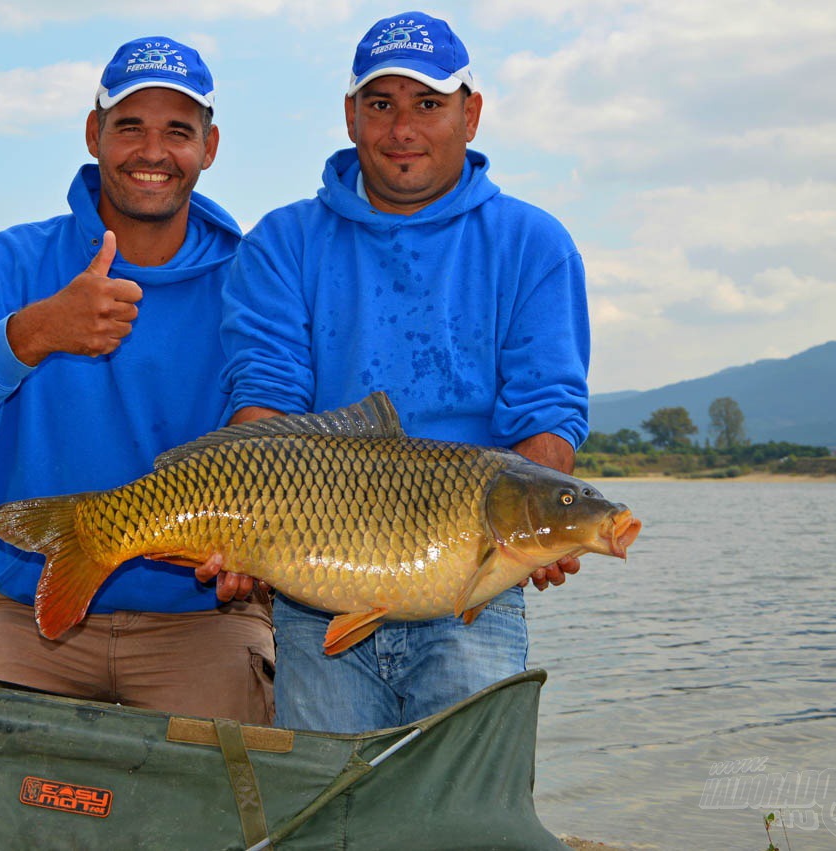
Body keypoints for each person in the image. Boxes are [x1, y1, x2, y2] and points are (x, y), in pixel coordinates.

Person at [0, 37, 274, 724]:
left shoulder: (256, 280)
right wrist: (30, 334)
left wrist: (261, 553)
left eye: (177, 131)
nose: (152, 152)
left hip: (206, 618)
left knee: (235, 801)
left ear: (209, 148)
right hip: (31, 612)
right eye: (129, 127)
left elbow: (288, 442)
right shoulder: (12, 262)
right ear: (94, 135)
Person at [216, 12, 590, 733]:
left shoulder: (533, 244)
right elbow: (265, 396)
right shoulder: (284, 242)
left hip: (469, 588)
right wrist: (240, 526)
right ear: (351, 115)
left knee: (457, 809)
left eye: (428, 104)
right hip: (318, 579)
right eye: (381, 104)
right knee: (333, 810)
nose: (402, 129)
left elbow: (546, 415)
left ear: (470, 114)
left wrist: (541, 521)